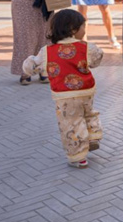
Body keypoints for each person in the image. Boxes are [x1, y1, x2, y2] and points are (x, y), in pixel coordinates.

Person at [23, 9, 104, 169]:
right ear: (73, 29)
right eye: (83, 27)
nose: (84, 30)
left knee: (71, 123)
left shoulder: (47, 52)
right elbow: (97, 58)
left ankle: (78, 157)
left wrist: (28, 65)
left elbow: (33, 66)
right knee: (89, 113)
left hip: (64, 95)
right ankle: (93, 136)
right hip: (86, 92)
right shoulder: (85, 48)